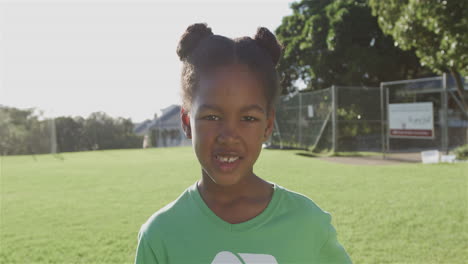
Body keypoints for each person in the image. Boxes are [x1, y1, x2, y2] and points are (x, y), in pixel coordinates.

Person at [134, 23, 352, 264]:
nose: (229, 135)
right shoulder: (160, 235)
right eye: (212, 117)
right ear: (187, 122)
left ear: (268, 126)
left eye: (248, 118)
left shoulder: (308, 224)